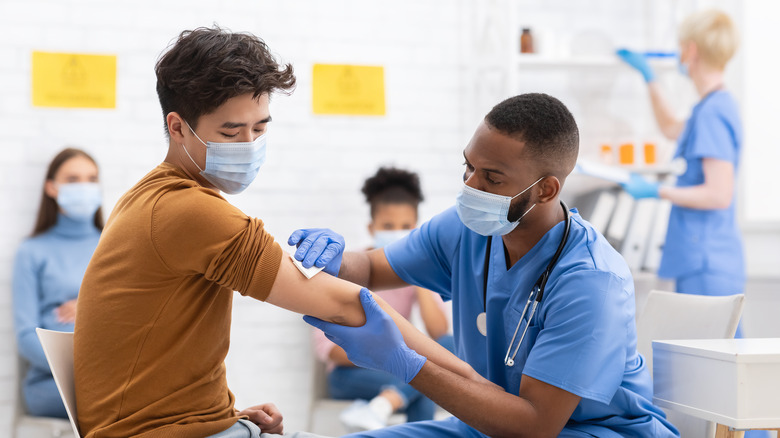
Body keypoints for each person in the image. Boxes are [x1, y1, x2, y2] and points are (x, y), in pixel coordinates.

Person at [72, 26, 486, 438]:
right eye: (231, 133)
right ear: (178, 127)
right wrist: (477, 386)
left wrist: (221, 413)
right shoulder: (188, 211)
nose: (249, 144)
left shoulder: (149, 197)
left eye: (260, 128)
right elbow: (348, 305)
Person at [291, 93, 680, 437]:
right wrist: (335, 258)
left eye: (492, 178)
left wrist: (407, 364)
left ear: (546, 190)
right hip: (488, 428)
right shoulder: (465, 230)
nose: (470, 186)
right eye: (468, 167)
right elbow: (373, 269)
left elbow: (535, 426)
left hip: (584, 431)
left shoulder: (592, 281)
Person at [617, 11, 746, 326]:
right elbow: (672, 128)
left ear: (690, 50)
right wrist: (650, 78)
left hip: (706, 259)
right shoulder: (711, 107)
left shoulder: (713, 113)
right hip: (704, 256)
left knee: (713, 360)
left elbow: (718, 194)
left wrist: (656, 191)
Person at [315, 167, 454, 432]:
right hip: (349, 375)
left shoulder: (414, 272)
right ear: (371, 227)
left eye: (405, 228)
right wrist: (389, 356)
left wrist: (415, 274)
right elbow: (328, 350)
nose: (396, 233)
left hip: (395, 368)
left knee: (447, 350)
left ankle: (381, 406)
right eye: (388, 226)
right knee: (424, 380)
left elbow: (439, 334)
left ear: (416, 229)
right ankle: (385, 403)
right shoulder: (345, 269)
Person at [13, 147, 103, 418]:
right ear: (51, 188)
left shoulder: (115, 245)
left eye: (92, 179)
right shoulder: (32, 251)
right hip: (51, 383)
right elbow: (26, 336)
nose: (84, 187)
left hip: (112, 374)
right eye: (73, 180)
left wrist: (90, 306)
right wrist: (83, 368)